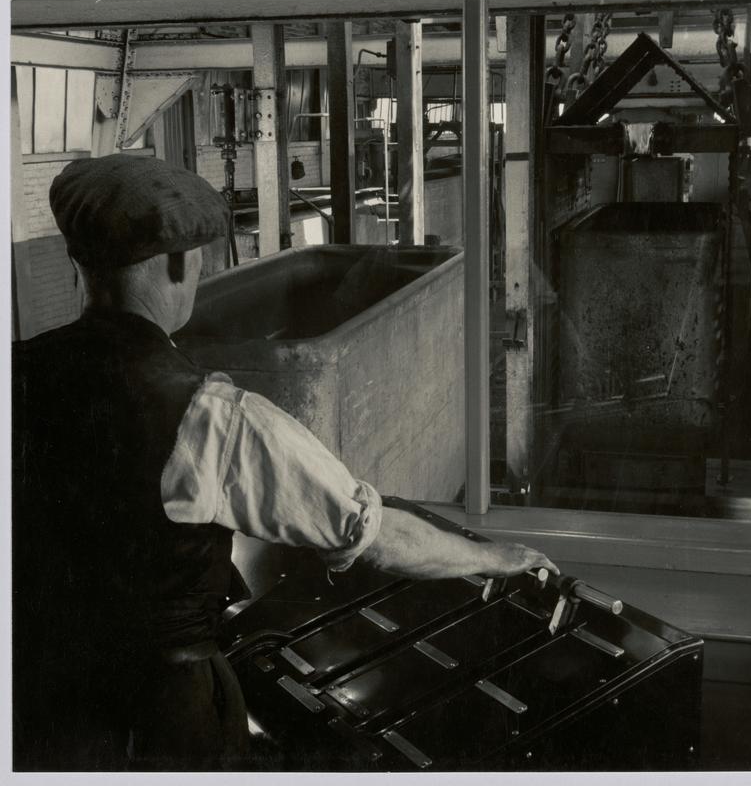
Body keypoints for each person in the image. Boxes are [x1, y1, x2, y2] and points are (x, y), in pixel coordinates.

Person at [12, 154, 559, 772]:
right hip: (161, 726)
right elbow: (371, 535)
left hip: (33, 707)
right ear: (178, 262)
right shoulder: (211, 415)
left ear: (76, 263)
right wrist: (502, 558)